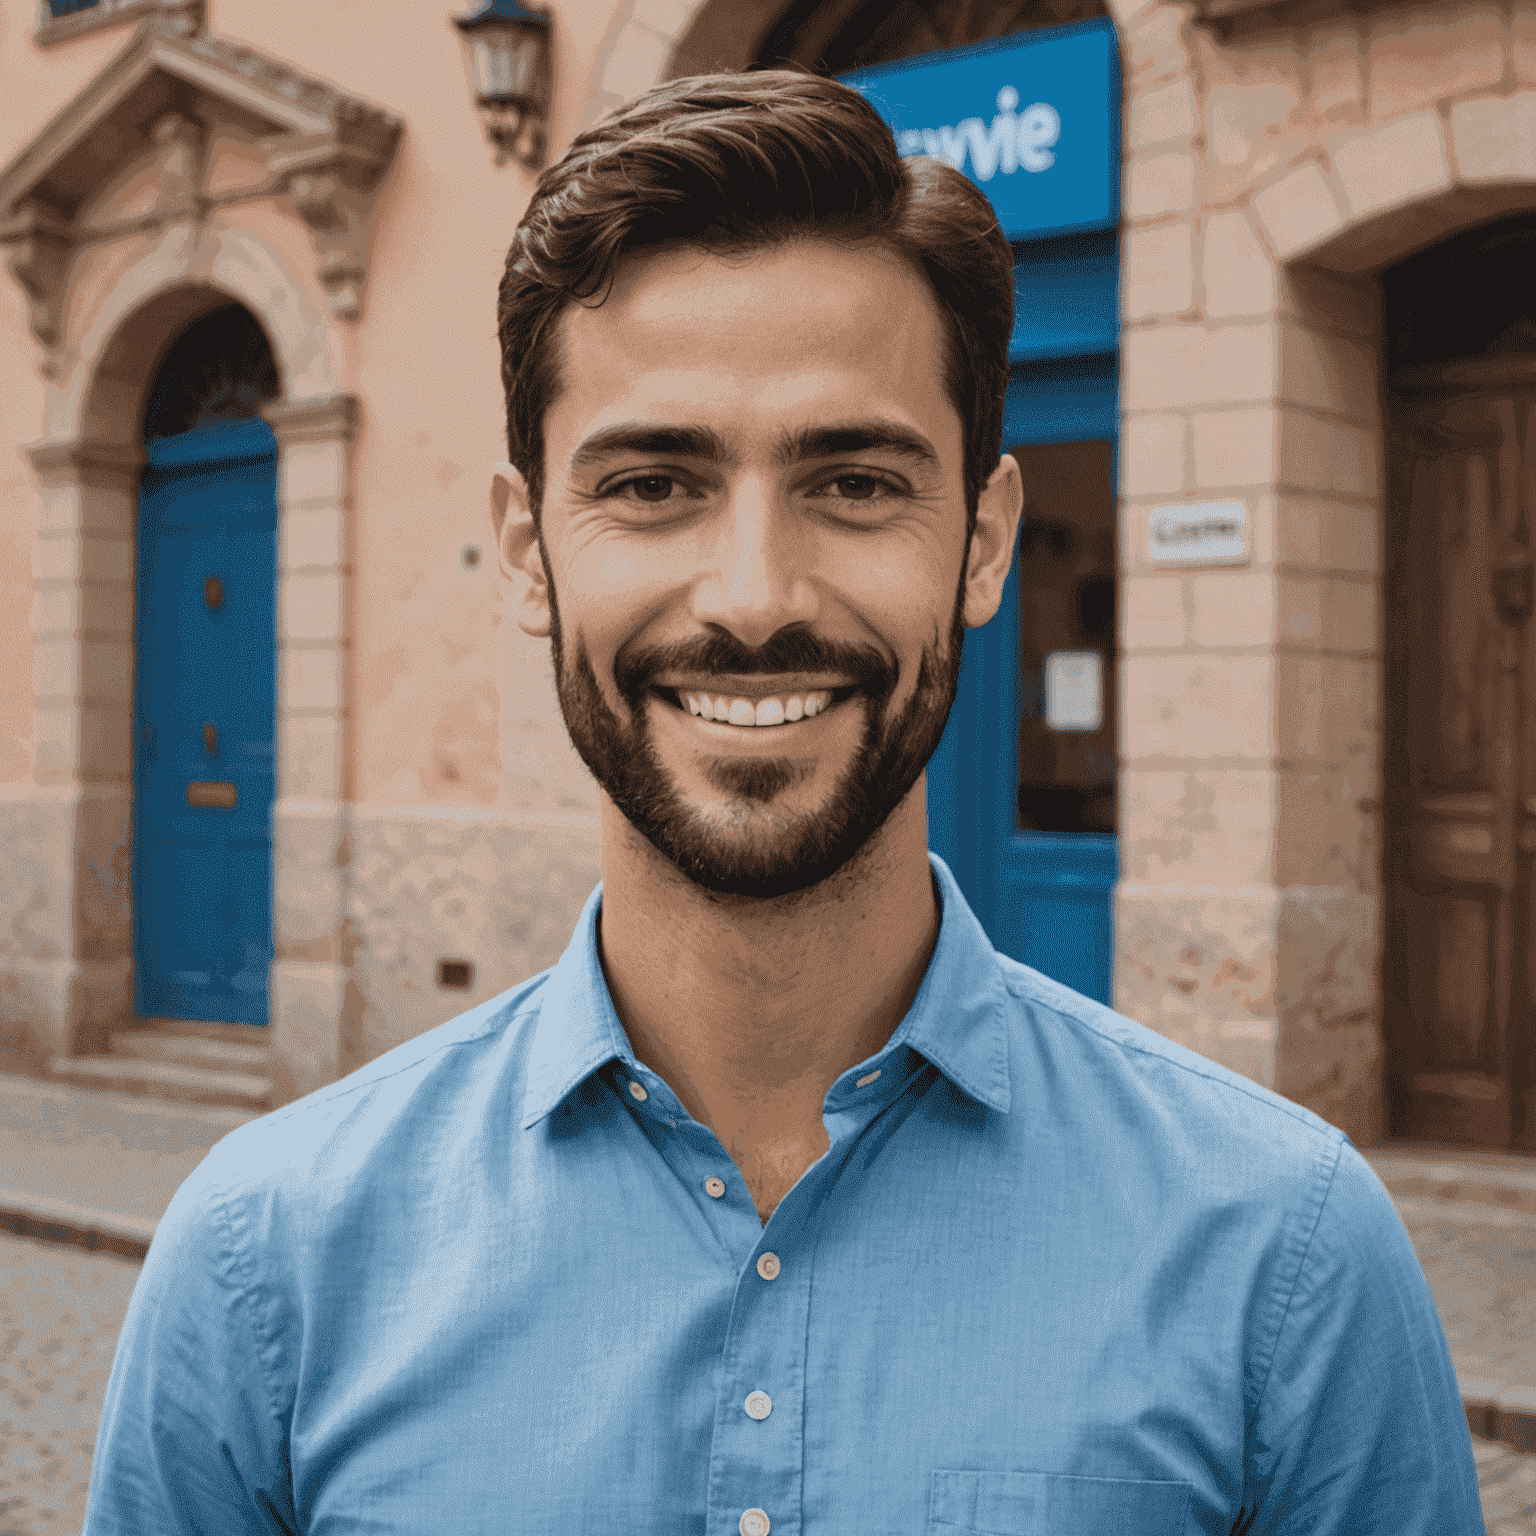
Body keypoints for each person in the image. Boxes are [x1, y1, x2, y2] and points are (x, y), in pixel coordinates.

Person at [85, 69, 1483, 1536]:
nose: (754, 600)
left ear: (985, 541)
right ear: (524, 548)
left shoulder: (1286, 1257)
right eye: (650, 485)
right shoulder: (265, 1267)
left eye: (859, 483)